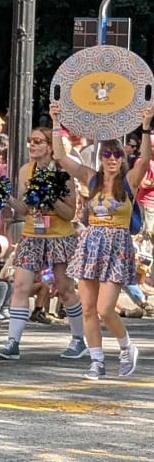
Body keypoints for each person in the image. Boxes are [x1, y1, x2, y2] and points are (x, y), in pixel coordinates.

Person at [49, 101, 152, 380]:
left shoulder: (128, 181)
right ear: (101, 157)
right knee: (88, 309)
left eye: (116, 155)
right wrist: (56, 121)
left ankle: (126, 347)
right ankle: (96, 361)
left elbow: (144, 159)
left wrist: (145, 127)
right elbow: (61, 158)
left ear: (122, 159)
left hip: (117, 247)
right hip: (91, 245)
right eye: (106, 154)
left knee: (106, 309)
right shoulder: (91, 179)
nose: (111, 159)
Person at [0, 123, 86, 362]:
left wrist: (50, 198)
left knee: (65, 290)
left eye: (38, 141)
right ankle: (12, 342)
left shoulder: (63, 173)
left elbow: (69, 213)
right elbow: (24, 208)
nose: (32, 145)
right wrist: (5, 198)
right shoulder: (26, 170)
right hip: (32, 234)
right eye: (31, 141)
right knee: (21, 286)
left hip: (59, 236)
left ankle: (79, 339)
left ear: (49, 147)